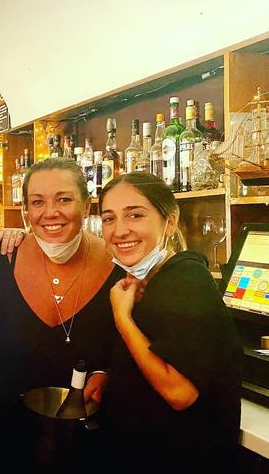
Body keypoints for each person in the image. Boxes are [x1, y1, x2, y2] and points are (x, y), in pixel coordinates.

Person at [0, 157, 124, 472]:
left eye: (64, 199)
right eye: (37, 202)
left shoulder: (119, 265)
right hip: (6, 440)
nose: (50, 212)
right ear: (26, 212)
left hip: (88, 447)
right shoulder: (0, 257)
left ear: (86, 206)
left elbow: (130, 347)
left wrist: (108, 374)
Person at [98, 172, 243, 471]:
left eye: (135, 215)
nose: (119, 230)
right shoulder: (144, 280)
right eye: (109, 219)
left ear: (170, 221)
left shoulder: (187, 280)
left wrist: (122, 319)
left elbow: (179, 392)